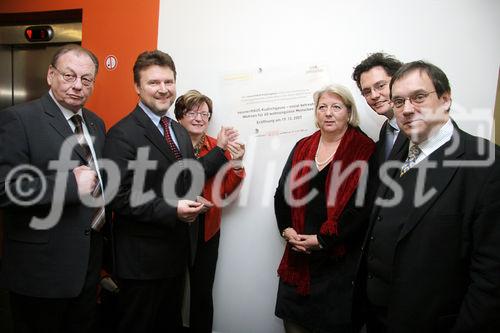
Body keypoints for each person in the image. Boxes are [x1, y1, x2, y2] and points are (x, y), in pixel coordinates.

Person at [356, 61, 500, 332]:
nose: (407, 109)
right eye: (398, 101)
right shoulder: (398, 149)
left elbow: (491, 278)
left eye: (419, 97)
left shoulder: (486, 163)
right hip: (378, 317)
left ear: (445, 99)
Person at [103, 50, 235, 333]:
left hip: (176, 257)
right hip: (141, 264)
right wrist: (173, 209)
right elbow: (117, 196)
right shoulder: (122, 134)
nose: (163, 89)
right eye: (153, 83)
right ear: (137, 87)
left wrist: (195, 194)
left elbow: (186, 176)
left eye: (168, 81)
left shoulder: (176, 130)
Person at [0, 44, 106, 333]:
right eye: (69, 75)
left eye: (86, 79)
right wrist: (70, 184)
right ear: (50, 75)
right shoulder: (19, 119)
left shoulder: (96, 123)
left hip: (85, 264)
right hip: (40, 272)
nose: (77, 86)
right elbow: (5, 188)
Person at [274, 84, 375, 333]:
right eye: (322, 107)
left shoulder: (366, 150)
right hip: (298, 258)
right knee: (294, 326)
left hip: (339, 262)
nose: (328, 113)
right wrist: (286, 229)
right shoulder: (302, 146)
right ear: (316, 113)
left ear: (349, 113)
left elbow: (362, 208)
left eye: (336, 107)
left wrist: (322, 240)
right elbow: (282, 193)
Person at [174, 89, 246, 333]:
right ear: (179, 116)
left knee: (202, 293)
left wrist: (236, 165)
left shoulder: (217, 146)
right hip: (171, 226)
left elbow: (225, 190)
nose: (199, 118)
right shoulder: (168, 145)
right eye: (192, 112)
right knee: (169, 292)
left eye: (204, 113)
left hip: (207, 229)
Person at [352, 52, 406, 163]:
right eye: (367, 92)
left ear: (400, 82)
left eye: (380, 86)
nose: (374, 96)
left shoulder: (423, 125)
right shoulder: (386, 130)